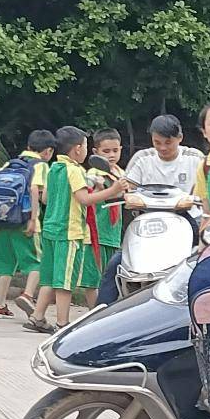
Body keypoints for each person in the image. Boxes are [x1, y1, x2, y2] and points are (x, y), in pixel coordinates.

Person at [25, 127, 127, 333]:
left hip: (50, 230)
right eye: (87, 147)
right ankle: (63, 324)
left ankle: (37, 316)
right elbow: (85, 200)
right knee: (65, 282)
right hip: (69, 232)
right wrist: (113, 190)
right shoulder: (75, 170)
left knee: (52, 278)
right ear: (78, 149)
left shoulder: (53, 168)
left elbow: (45, 198)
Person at [0, 130, 56, 319]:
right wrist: (33, 219)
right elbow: (36, 189)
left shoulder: (12, 163)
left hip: (3, 220)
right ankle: (27, 295)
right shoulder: (40, 165)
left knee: (5, 263)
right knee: (38, 262)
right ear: (48, 151)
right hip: (24, 221)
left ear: (28, 146)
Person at [80, 130, 127, 309]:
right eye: (106, 151)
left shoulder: (121, 173)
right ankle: (93, 316)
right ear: (95, 152)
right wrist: (101, 188)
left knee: (109, 280)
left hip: (113, 234)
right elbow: (86, 199)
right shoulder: (93, 173)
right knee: (92, 279)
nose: (112, 155)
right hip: (94, 233)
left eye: (115, 150)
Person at [125, 115, 204, 192]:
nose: (163, 148)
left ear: (180, 138)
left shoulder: (195, 158)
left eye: (168, 143)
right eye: (157, 143)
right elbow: (128, 190)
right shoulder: (141, 158)